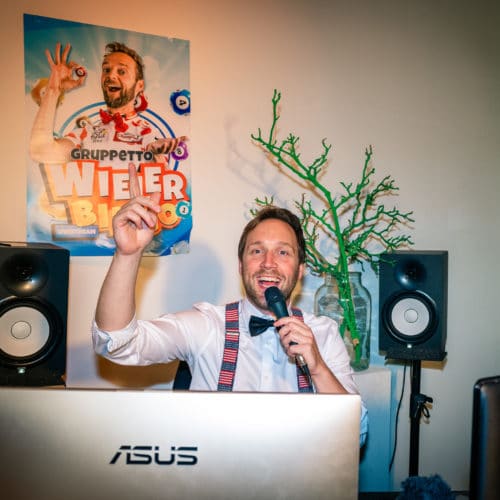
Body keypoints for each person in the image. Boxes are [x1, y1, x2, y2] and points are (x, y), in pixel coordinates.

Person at [92, 165, 368, 444]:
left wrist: (318, 367)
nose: (268, 263)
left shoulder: (324, 333)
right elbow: (116, 343)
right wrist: (128, 254)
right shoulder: (207, 325)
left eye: (283, 252)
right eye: (257, 251)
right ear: (241, 266)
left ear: (300, 271)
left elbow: (355, 434)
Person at [29, 41, 184, 168]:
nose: (111, 76)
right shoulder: (86, 132)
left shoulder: (148, 132)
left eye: (121, 71)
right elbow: (40, 152)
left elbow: (159, 185)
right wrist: (53, 89)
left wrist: (154, 154)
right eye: (106, 69)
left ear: (139, 85)